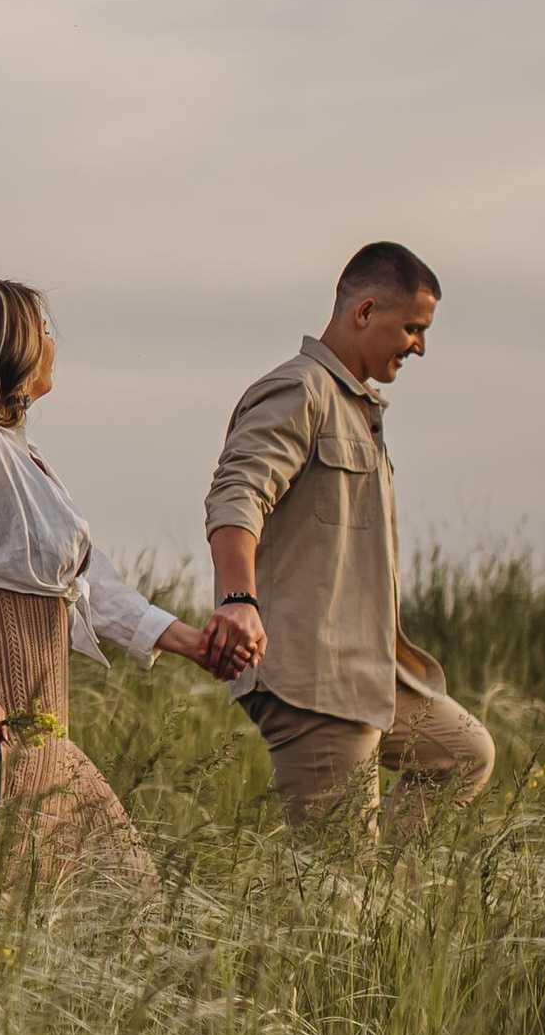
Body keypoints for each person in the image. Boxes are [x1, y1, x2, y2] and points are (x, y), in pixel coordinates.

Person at [0, 278, 231, 897]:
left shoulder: (21, 458)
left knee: (110, 899)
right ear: (13, 345)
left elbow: (85, 583)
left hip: (39, 725)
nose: (54, 343)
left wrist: (186, 640)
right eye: (45, 329)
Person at [200, 241, 495, 840]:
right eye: (412, 327)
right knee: (335, 888)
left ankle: (390, 912)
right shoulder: (299, 391)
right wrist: (238, 602)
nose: (420, 345)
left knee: (465, 754)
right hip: (314, 677)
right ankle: (347, 915)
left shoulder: (355, 407)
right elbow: (236, 495)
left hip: (371, 672)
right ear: (364, 312)